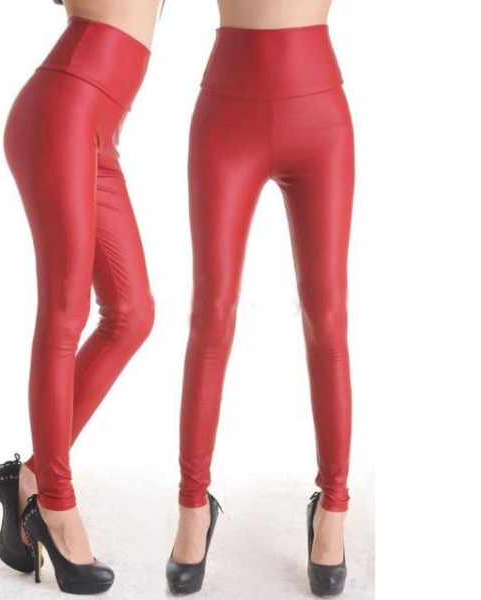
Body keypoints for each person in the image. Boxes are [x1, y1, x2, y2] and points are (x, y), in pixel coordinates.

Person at [166, 0, 354, 596]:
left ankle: (333, 508)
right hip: (227, 115)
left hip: (319, 115)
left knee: (328, 318)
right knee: (211, 314)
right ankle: (192, 507)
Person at [0, 0, 162, 594]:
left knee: (132, 315)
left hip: (100, 130)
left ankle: (28, 480)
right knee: (66, 312)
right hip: (63, 110)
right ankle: (56, 505)